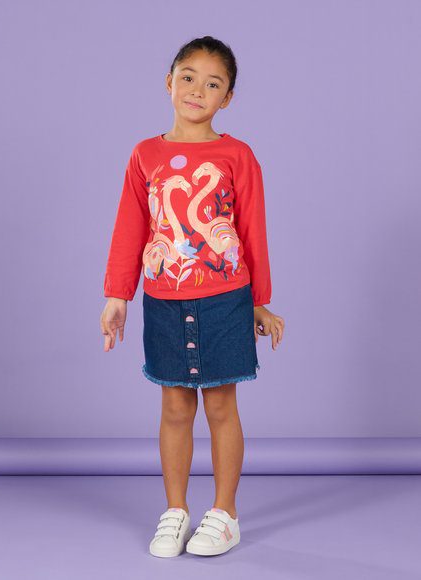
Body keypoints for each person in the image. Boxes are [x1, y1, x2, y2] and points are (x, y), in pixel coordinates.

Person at [100, 35, 285, 558]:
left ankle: (225, 513)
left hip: (225, 298)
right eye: (188, 77)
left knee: (221, 405)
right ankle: (175, 510)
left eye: (213, 84)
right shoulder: (145, 154)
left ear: (227, 98)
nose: (197, 91)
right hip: (164, 299)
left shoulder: (237, 155)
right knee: (175, 406)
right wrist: (117, 294)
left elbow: (252, 231)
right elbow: (130, 227)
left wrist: (259, 300)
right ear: (169, 82)